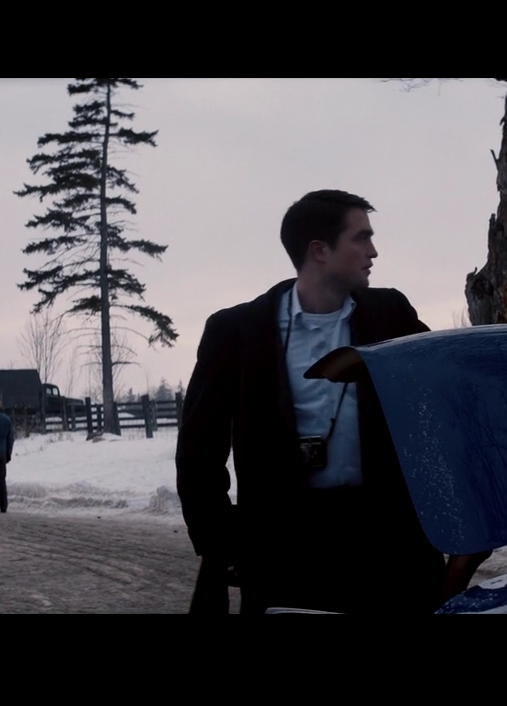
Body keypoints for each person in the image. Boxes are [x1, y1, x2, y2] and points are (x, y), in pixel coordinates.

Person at [176, 189, 490, 614]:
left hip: (388, 550)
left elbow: (443, 407)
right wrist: (224, 540)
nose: (374, 251)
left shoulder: (390, 313)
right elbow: (198, 451)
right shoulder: (236, 331)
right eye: (361, 238)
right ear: (319, 251)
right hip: (285, 556)